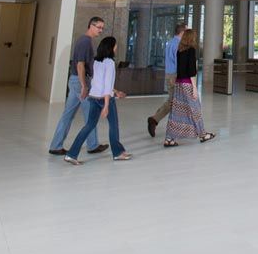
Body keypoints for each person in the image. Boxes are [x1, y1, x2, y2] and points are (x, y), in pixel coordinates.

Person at [64, 36, 131, 164]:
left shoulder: (96, 62)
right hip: (105, 99)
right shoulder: (110, 63)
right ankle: (117, 153)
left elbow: (98, 83)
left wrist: (115, 92)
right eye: (115, 45)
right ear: (111, 47)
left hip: (93, 98)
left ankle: (71, 154)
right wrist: (106, 105)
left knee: (89, 126)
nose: (116, 48)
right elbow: (107, 85)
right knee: (113, 126)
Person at [49, 16, 108, 156]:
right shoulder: (85, 42)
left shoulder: (86, 41)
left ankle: (56, 146)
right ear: (91, 26)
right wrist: (84, 86)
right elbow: (80, 65)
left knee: (68, 115)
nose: (101, 30)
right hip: (79, 82)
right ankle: (92, 145)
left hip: (76, 81)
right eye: (99, 27)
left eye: (102, 28)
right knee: (91, 114)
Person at [164, 28, 216, 146]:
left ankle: (169, 138)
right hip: (187, 84)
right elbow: (191, 71)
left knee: (176, 111)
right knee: (195, 109)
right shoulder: (191, 50)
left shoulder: (179, 50)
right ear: (191, 38)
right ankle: (203, 135)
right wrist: (194, 88)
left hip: (178, 84)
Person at [147, 22, 185, 137]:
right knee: (174, 102)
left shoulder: (170, 42)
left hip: (170, 74)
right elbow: (178, 62)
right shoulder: (178, 44)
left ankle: (155, 119)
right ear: (182, 32)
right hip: (175, 75)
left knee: (173, 101)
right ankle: (155, 119)